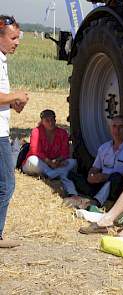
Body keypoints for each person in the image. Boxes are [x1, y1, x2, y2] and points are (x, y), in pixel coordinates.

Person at [64, 115, 123, 209]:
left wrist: (106, 177)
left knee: (115, 176)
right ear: (110, 129)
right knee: (71, 175)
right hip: (101, 184)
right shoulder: (104, 148)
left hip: (118, 187)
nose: (117, 130)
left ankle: (96, 201)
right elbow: (95, 168)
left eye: (121, 127)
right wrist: (92, 175)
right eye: (114, 126)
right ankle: (74, 196)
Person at [0, 15, 29, 248]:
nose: (17, 42)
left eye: (18, 37)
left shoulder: (3, 59)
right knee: (7, 183)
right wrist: (16, 96)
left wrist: (12, 103)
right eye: (13, 38)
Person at [22, 109, 77, 195]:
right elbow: (35, 150)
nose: (50, 123)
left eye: (52, 120)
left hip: (55, 164)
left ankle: (51, 174)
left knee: (73, 162)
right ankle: (53, 173)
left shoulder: (62, 133)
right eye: (47, 120)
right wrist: (49, 162)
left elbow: (65, 152)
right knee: (32, 159)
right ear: (42, 121)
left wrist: (58, 161)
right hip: (41, 163)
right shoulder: (36, 131)